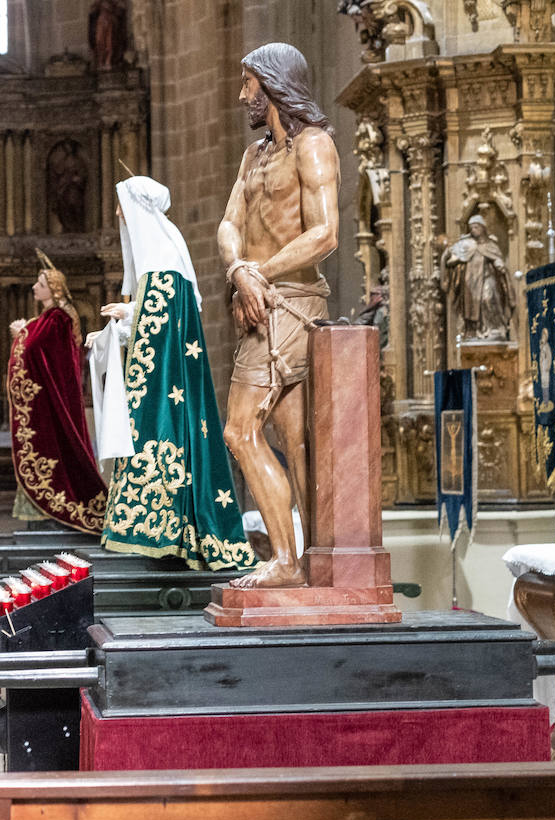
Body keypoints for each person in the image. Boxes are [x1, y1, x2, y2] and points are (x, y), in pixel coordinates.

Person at [217, 42, 340, 588]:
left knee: (240, 430)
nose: (242, 94)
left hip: (290, 301)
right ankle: (311, 564)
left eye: (248, 83)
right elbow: (229, 223)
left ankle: (288, 561)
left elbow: (325, 233)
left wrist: (258, 273)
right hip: (258, 301)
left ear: (271, 85)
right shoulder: (254, 155)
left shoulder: (312, 145)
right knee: (295, 441)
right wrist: (238, 269)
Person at [96, 176, 254, 570]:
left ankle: (168, 532)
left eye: (121, 206)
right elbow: (156, 320)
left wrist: (127, 315)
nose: (118, 213)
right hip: (165, 379)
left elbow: (159, 323)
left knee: (161, 438)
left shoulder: (162, 261)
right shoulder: (163, 258)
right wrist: (121, 322)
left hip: (164, 387)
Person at [6, 250, 107, 533]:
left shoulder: (57, 319)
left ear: (53, 288)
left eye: (40, 284)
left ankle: (54, 512)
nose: (34, 288)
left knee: (53, 449)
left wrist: (22, 333)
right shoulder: (53, 318)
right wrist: (27, 331)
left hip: (51, 402)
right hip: (47, 400)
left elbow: (36, 348)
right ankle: (42, 513)